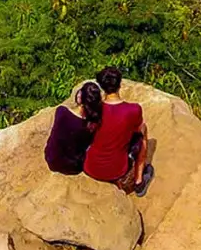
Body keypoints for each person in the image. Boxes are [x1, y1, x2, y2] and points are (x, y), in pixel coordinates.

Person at [83, 66, 153, 196]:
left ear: (102, 87)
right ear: (120, 84)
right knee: (143, 130)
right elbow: (138, 129)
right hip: (116, 170)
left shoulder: (94, 108)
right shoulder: (133, 110)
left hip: (90, 167)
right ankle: (139, 181)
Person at [44, 80, 99, 175]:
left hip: (53, 160)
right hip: (74, 166)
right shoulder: (93, 124)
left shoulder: (62, 112)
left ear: (79, 97)